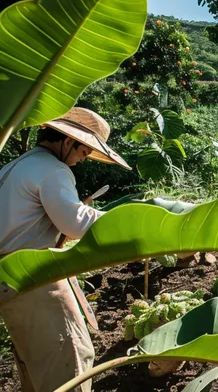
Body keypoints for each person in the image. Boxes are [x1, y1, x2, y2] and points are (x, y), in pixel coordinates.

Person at [0, 107, 130, 392]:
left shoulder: (15, 166)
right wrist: (128, 219)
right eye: (84, 152)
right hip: (36, 279)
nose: (83, 160)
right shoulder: (53, 169)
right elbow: (76, 223)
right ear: (68, 141)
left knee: (36, 366)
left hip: (10, 280)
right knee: (70, 361)